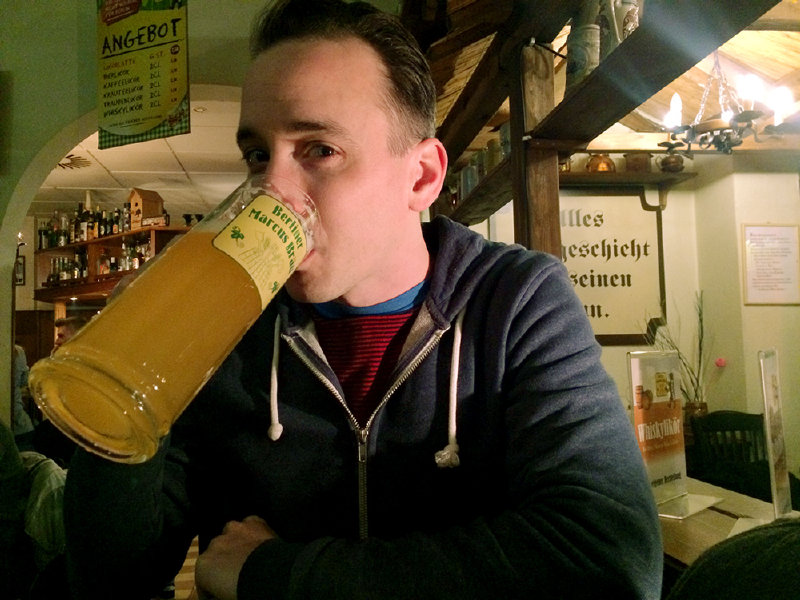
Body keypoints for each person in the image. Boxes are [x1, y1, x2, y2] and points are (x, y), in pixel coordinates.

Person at [64, 1, 663, 599]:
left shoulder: (516, 302)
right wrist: (125, 386)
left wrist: (272, 574)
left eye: (319, 150)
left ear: (423, 177)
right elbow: (116, 576)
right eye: (257, 155)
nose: (270, 191)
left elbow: (608, 560)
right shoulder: (223, 331)